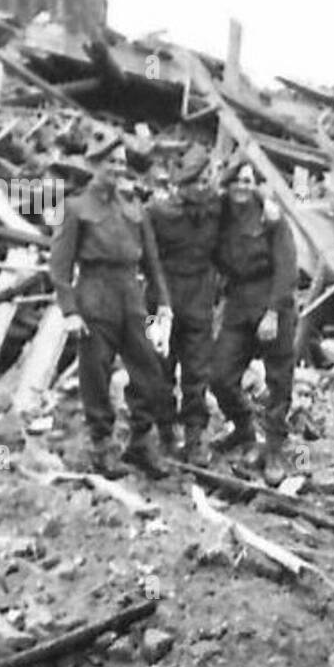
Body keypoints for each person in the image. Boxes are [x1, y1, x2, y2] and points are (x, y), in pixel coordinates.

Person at [48, 136, 174, 479]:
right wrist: (70, 311)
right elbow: (58, 266)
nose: (118, 168)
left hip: (132, 298)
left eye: (121, 162)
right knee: (96, 374)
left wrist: (162, 303)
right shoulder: (75, 208)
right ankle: (101, 447)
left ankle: (141, 443)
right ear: (93, 165)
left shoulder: (134, 207)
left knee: (148, 369)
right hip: (95, 296)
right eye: (110, 162)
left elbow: (152, 261)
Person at [210, 155, 299, 484]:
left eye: (248, 182)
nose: (242, 187)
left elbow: (287, 267)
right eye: (236, 181)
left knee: (279, 380)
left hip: (272, 301)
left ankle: (274, 447)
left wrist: (274, 312)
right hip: (238, 304)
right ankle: (245, 429)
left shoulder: (271, 218)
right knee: (219, 374)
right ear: (228, 184)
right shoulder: (220, 214)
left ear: (255, 185)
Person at [144, 144, 222, 465]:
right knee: (159, 370)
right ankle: (165, 432)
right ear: (180, 186)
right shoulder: (158, 214)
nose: (202, 189)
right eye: (195, 184)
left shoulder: (217, 212)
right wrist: (160, 304)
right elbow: (148, 260)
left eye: (206, 182)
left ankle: (195, 436)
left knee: (196, 373)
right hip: (163, 302)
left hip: (199, 303)